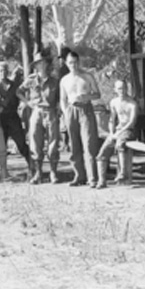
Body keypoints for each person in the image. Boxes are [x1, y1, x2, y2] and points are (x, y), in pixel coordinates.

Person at [59, 50, 101, 187]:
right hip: (71, 110)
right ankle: (79, 175)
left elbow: (97, 94)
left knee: (89, 143)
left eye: (76, 62)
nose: (74, 65)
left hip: (85, 109)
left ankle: (92, 177)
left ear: (79, 62)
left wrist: (86, 97)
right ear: (66, 63)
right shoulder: (64, 80)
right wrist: (66, 114)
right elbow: (63, 99)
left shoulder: (87, 76)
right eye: (71, 63)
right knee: (74, 144)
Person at [19, 51, 60, 184]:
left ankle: (53, 172)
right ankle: (38, 172)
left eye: (43, 62)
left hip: (51, 111)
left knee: (53, 143)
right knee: (35, 142)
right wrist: (27, 102)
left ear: (47, 64)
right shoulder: (31, 80)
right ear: (35, 65)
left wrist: (59, 110)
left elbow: (60, 97)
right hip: (36, 111)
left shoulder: (54, 81)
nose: (41, 65)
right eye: (38, 63)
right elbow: (18, 91)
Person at [0, 55, 34, 180]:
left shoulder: (14, 85)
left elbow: (22, 95)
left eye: (5, 70)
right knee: (1, 147)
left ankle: (32, 168)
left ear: (8, 72)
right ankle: (3, 172)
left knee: (21, 144)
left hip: (13, 118)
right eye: (0, 70)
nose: (3, 73)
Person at [95, 79, 139, 189]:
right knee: (102, 153)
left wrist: (120, 132)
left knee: (121, 144)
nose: (122, 91)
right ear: (115, 90)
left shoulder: (132, 103)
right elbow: (112, 119)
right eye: (119, 88)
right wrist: (111, 132)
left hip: (128, 130)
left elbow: (131, 122)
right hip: (117, 130)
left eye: (124, 88)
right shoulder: (113, 102)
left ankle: (123, 173)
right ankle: (101, 180)